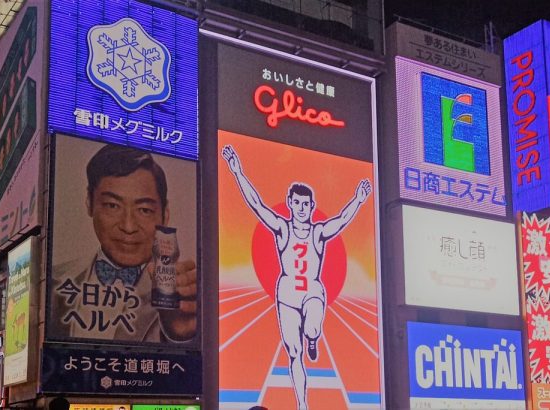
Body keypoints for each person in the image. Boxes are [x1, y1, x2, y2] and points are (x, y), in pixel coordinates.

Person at [222, 145, 371, 409]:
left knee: (312, 328)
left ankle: (313, 337)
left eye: (306, 204)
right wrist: (237, 172)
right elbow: (257, 205)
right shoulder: (282, 228)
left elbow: (342, 220)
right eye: (297, 203)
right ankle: (302, 404)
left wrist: (358, 199)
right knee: (294, 352)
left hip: (312, 291)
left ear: (312, 206)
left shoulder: (318, 232)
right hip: (287, 294)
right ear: (290, 204)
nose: (301, 208)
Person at [51, 144, 197, 343]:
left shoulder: (187, 294)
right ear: (89, 202)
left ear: (165, 214)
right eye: (113, 206)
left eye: (144, 210)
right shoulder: (55, 281)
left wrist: (181, 335)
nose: (128, 226)